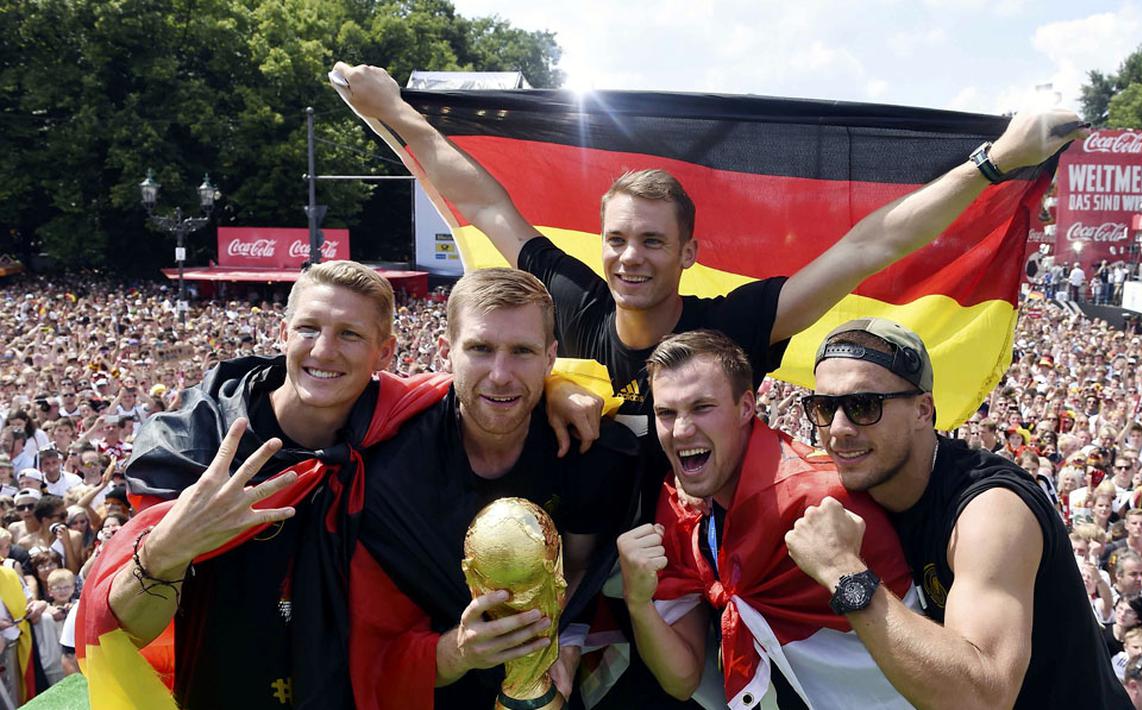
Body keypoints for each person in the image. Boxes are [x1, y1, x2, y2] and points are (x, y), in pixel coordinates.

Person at [331, 61, 1086, 443]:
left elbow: (869, 245)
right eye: (617, 239)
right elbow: (488, 203)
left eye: (652, 241)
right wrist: (394, 112)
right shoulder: (573, 299)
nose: (629, 257)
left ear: (688, 252)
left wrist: (996, 162)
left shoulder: (732, 327)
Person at [79, 261, 594, 708]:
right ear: (283, 334)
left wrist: (559, 389)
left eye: (350, 335)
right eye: (309, 329)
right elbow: (123, 632)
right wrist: (169, 549)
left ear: (385, 353)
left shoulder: (393, 425)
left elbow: (490, 381)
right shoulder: (201, 443)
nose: (325, 351)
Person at [784, 317, 1131, 707]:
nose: (838, 428)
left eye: (863, 406)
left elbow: (985, 697)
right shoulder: (861, 486)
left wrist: (842, 571)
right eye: (823, 407)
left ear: (923, 410)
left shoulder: (991, 511)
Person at [347, 268, 637, 708]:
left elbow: (580, 566)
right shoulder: (387, 463)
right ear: (446, 352)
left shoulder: (591, 451)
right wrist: (457, 652)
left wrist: (562, 638)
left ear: (550, 358)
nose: (501, 374)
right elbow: (373, 646)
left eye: (522, 351)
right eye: (480, 349)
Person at [616, 330, 915, 707]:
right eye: (666, 413)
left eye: (702, 407)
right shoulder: (679, 506)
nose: (681, 430)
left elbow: (918, 648)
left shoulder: (824, 500)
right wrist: (638, 602)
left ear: (746, 407)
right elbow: (681, 680)